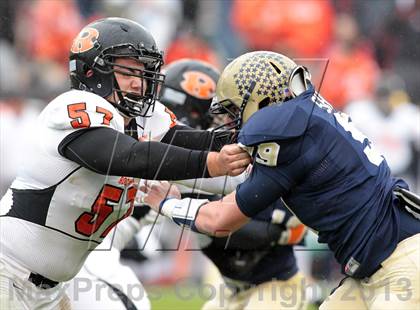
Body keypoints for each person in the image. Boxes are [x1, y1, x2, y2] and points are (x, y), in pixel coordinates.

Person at [0, 17, 250, 309]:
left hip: (52, 290)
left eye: (144, 72)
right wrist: (212, 163)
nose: (139, 82)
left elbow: (194, 140)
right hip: (8, 272)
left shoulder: (141, 119)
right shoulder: (70, 108)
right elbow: (128, 157)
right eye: (128, 72)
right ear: (93, 72)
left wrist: (257, 136)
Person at [142, 51, 420, 309]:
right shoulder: (305, 120)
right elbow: (230, 183)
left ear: (258, 99)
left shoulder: (287, 133)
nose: (233, 120)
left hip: (401, 262)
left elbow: (220, 220)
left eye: (236, 108)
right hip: (374, 266)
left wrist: (167, 204)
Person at [158, 58, 308, 310]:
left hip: (275, 286)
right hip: (229, 289)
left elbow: (280, 232)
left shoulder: (242, 163)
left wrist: (175, 207)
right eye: (218, 116)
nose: (226, 123)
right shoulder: (176, 166)